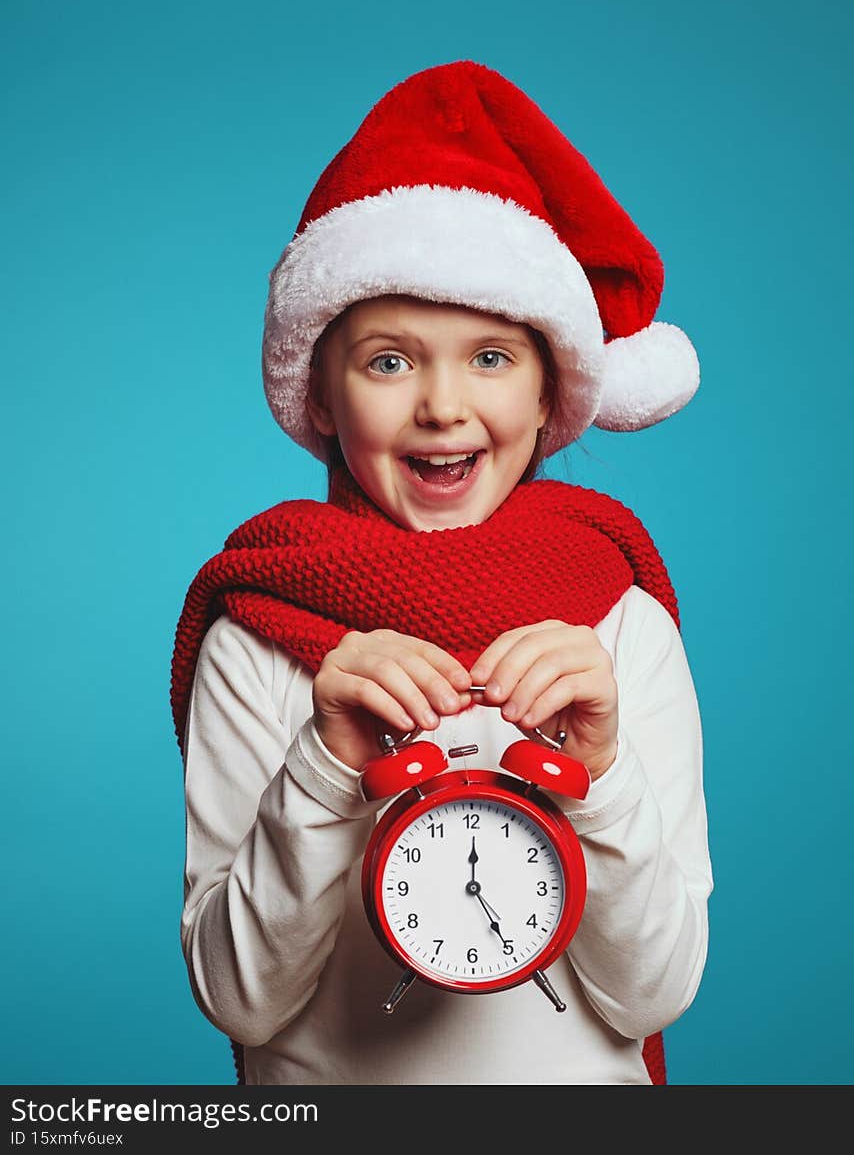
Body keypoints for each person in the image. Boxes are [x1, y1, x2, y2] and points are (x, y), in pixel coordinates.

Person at [170, 59, 713, 1086]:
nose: (441, 407)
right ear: (319, 393)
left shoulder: (616, 621)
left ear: (554, 385)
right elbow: (235, 995)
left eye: (491, 357)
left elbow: (656, 990)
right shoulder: (259, 630)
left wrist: (598, 778)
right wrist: (327, 765)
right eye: (388, 360)